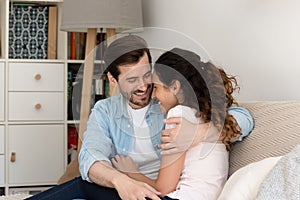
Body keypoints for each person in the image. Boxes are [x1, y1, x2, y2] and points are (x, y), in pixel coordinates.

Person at [26, 35, 253, 200]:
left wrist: (199, 133)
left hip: (160, 190)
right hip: (129, 187)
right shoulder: (105, 111)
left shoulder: (172, 106)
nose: (144, 87)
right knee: (84, 183)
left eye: (147, 76)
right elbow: (90, 158)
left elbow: (243, 118)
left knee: (82, 188)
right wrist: (122, 180)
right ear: (113, 81)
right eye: (132, 80)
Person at [112, 47, 242, 200]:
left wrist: (132, 172)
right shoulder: (208, 114)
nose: (152, 96)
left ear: (175, 86)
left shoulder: (178, 115)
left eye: (157, 88)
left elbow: (163, 188)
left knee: (85, 186)